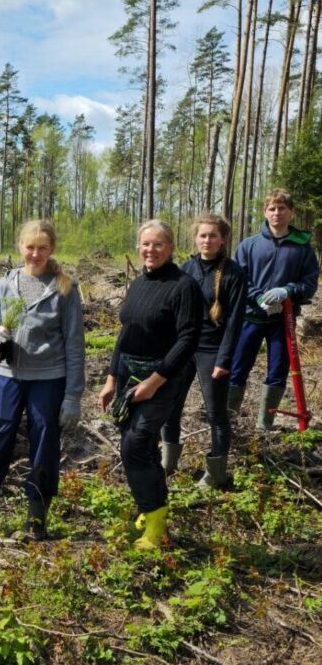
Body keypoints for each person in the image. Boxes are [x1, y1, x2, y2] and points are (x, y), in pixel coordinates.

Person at [0, 221, 85, 541]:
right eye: (30, 247)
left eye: (42, 248)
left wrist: (73, 396)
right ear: (20, 247)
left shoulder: (65, 289)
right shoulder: (6, 284)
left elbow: (75, 344)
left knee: (45, 446)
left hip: (49, 378)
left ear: (52, 250)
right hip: (7, 377)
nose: (35, 254)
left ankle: (36, 516)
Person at [98, 220, 201, 550]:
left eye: (158, 244)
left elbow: (187, 340)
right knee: (138, 445)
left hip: (164, 378)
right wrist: (112, 378)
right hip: (130, 376)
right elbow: (125, 333)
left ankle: (155, 525)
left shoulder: (184, 287)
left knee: (136, 445)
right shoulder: (140, 283)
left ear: (171, 248)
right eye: (145, 244)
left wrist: (156, 382)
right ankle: (151, 508)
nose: (150, 250)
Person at [160, 215, 247, 488]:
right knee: (170, 408)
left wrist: (224, 359)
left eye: (212, 236)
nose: (207, 240)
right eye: (202, 236)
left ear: (222, 239)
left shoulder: (234, 274)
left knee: (216, 414)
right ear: (195, 238)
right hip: (183, 349)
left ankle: (216, 474)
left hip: (213, 351)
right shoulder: (185, 268)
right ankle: (168, 463)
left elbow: (234, 324)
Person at [228, 189, 319, 430]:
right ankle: (228, 422)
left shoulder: (302, 248)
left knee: (277, 370)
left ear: (291, 212)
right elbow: (237, 279)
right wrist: (256, 297)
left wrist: (288, 291)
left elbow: (309, 284)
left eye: (282, 208)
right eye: (272, 208)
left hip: (283, 321)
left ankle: (264, 424)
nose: (276, 213)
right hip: (250, 318)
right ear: (265, 212)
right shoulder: (250, 245)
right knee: (237, 369)